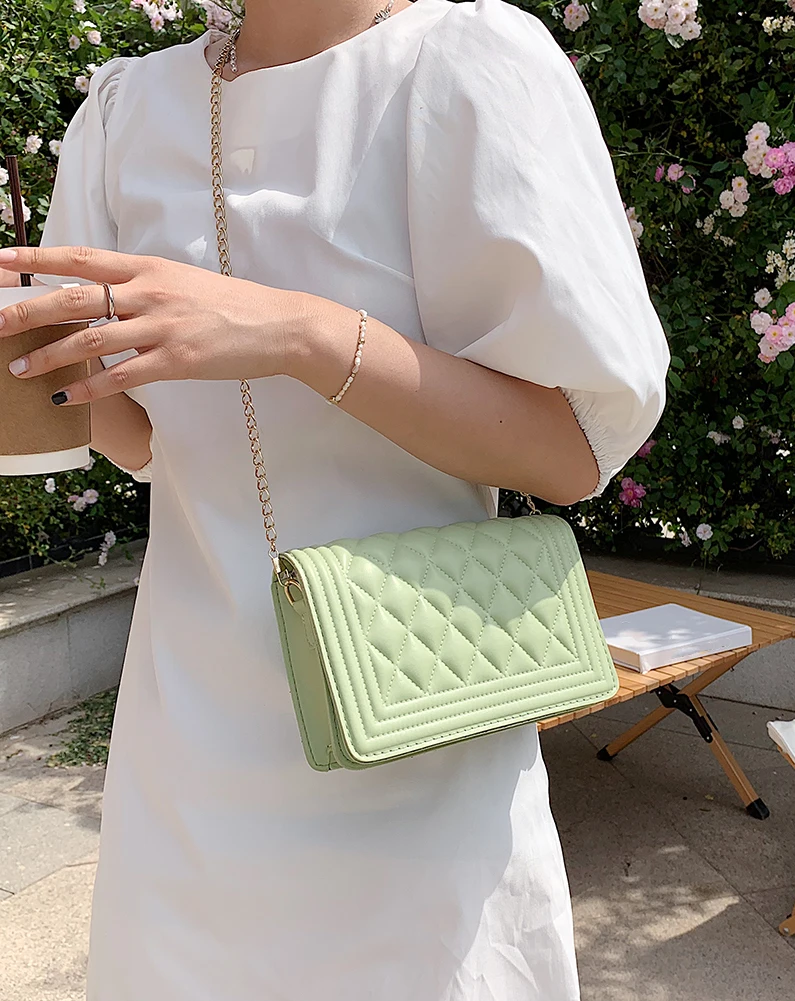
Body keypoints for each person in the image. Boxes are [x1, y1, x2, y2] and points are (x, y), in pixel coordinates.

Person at [0, 0, 669, 997]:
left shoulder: (465, 67)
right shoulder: (126, 110)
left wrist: (299, 335)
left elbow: (569, 449)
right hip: (187, 746)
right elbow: (151, 442)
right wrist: (37, 367)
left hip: (414, 722)